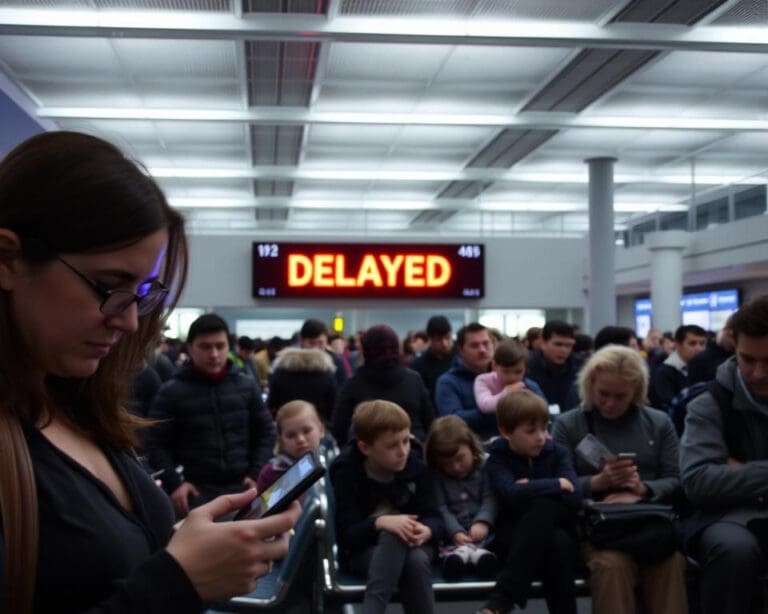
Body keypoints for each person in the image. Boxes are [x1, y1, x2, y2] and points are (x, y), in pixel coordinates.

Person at [0, 131, 299, 613]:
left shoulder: (75, 407)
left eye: (142, 293)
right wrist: (177, 580)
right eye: (108, 285)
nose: (129, 319)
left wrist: (184, 544)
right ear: (8, 259)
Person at [552, 345, 687, 614]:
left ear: (635, 392)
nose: (610, 404)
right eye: (603, 394)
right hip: (599, 531)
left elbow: (678, 479)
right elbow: (555, 484)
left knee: (670, 563)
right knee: (611, 566)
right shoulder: (569, 425)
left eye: (620, 397)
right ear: (590, 385)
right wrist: (596, 483)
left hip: (649, 525)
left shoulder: (659, 423)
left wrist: (642, 489)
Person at [680, 295, 768, 614]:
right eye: (748, 359)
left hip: (733, 505)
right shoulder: (708, 405)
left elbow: (714, 476)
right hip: (726, 519)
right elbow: (699, 482)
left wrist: (739, 471)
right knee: (734, 550)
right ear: (734, 348)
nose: (758, 373)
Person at [146, 313, 276, 517]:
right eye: (205, 347)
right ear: (190, 348)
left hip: (243, 486)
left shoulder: (246, 387)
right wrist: (175, 484)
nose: (214, 354)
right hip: (197, 492)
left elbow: (266, 432)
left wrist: (256, 472)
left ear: (228, 347)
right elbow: (154, 443)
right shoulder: (171, 391)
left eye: (220, 346)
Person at [330, 400, 444, 614]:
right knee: (400, 543)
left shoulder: (416, 467)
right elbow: (347, 534)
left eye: (406, 441)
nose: (403, 451)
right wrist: (381, 523)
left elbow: (435, 516)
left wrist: (427, 531)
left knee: (413, 554)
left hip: (416, 545)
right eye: (392, 445)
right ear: (365, 447)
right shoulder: (347, 473)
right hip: (365, 551)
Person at [481, 390, 582, 614]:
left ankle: (503, 598)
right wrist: (555, 484)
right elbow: (509, 493)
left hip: (556, 527)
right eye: (531, 430)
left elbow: (575, 496)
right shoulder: (497, 458)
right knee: (557, 542)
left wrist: (528, 486)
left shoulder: (557, 453)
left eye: (545, 428)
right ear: (506, 431)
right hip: (513, 534)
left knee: (550, 520)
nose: (541, 437)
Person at [332, 324, 434, 445]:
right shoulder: (414, 380)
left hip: (368, 457)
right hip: (413, 451)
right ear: (397, 348)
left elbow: (339, 429)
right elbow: (430, 423)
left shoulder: (353, 385)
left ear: (365, 351)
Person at [424, 416, 497, 581]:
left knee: (489, 548)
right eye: (447, 463)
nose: (455, 467)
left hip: (484, 533)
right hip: (453, 536)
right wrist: (455, 531)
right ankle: (456, 561)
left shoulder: (486, 466)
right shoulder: (436, 476)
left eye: (460, 458)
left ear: (471, 448)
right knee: (455, 552)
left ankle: (482, 559)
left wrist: (483, 522)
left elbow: (490, 498)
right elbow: (441, 507)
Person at [435, 323, 496, 440]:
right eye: (474, 345)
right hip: (470, 448)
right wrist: (497, 407)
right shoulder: (448, 382)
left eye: (486, 343)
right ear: (461, 350)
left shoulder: (505, 373)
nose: (482, 350)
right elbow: (453, 420)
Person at [256, 400, 325, 493]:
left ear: (321, 430)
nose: (300, 439)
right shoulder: (270, 474)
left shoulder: (330, 460)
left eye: (307, 431)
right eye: (291, 435)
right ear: (281, 441)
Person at [267, 343, 337, 425]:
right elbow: (333, 403)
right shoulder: (326, 374)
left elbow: (272, 403)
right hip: (319, 425)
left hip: (287, 424)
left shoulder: (280, 373)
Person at [473, 339, 545, 415]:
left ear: (525, 369)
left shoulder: (529, 385)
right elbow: (485, 406)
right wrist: (506, 393)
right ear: (494, 366)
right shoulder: (483, 380)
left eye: (518, 372)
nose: (512, 377)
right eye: (506, 371)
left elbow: (543, 410)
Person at [525, 320, 583, 414]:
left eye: (569, 345)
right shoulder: (527, 366)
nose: (564, 350)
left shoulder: (581, 367)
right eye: (558, 344)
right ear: (543, 343)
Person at [649, 324, 707, 409]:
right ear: (677, 344)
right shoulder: (663, 372)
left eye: (702, 344)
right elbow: (668, 406)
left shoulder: (703, 367)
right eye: (692, 343)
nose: (699, 348)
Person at [411, 314, 456, 403]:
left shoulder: (463, 357)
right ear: (430, 339)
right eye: (439, 339)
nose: (445, 344)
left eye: (448, 338)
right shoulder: (419, 365)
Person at [687, 318, 735, 385]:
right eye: (732, 336)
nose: (733, 342)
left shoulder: (738, 358)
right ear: (725, 330)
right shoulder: (700, 360)